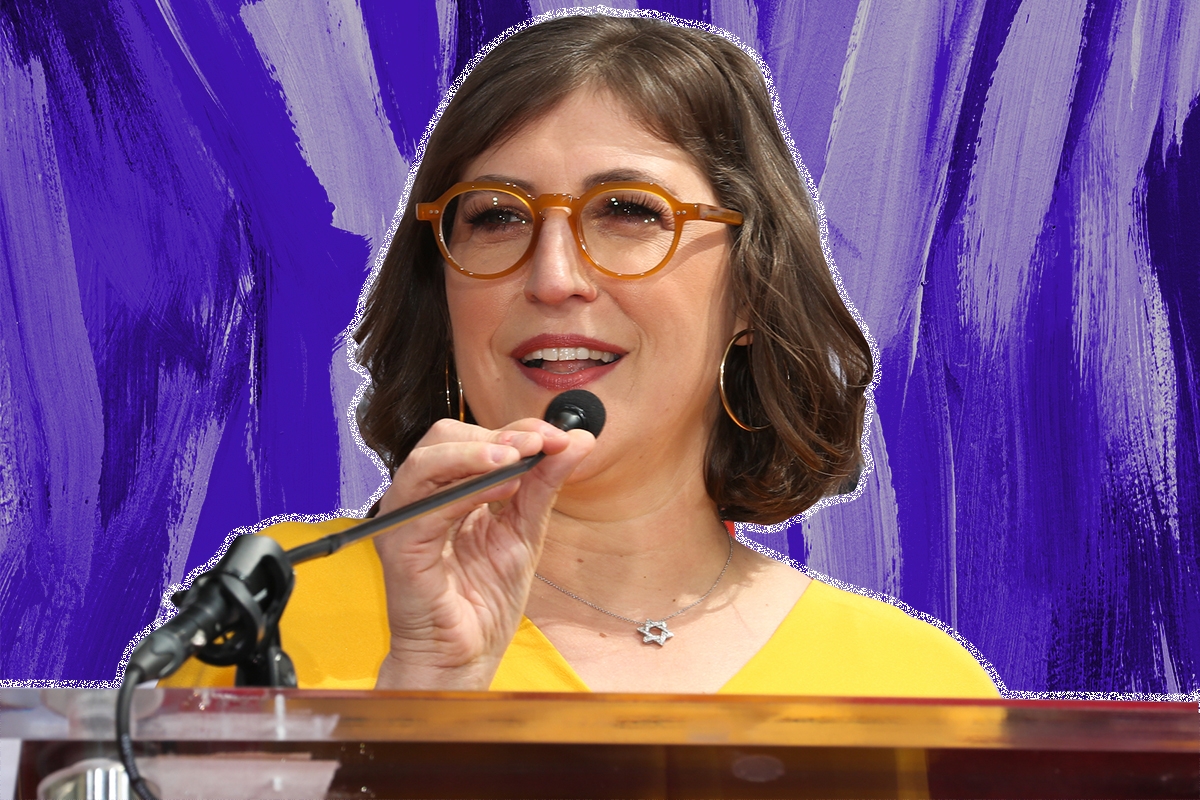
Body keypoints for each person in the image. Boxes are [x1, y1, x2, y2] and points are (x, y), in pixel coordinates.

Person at [165, 14, 997, 697]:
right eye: (495, 216)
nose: (553, 276)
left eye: (629, 211)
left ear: (751, 289)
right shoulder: (265, 624)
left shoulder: (920, 689)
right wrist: (422, 706)